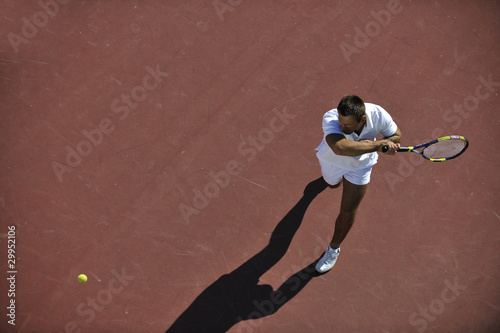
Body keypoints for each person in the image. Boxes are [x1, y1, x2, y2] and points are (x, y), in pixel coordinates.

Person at [315, 95, 402, 273]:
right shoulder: (330, 117)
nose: (341, 126)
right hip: (332, 161)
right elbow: (340, 147)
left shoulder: (379, 114)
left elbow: (396, 136)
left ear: (362, 119)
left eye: (347, 124)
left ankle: (333, 248)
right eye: (340, 121)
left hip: (361, 167)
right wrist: (378, 145)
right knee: (332, 185)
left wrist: (386, 143)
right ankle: (332, 182)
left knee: (348, 211)